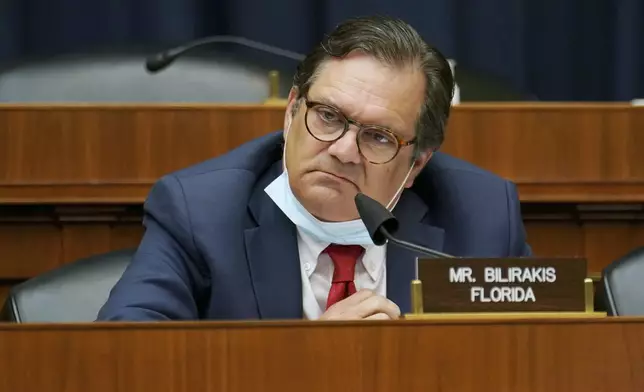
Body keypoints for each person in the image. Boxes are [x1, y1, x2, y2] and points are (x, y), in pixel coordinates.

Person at [96, 15, 531, 322]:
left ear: (416, 164)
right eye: (327, 115)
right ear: (290, 112)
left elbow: (531, 361)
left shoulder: (483, 218)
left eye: (378, 137)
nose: (343, 150)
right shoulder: (200, 212)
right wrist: (310, 358)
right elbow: (128, 357)